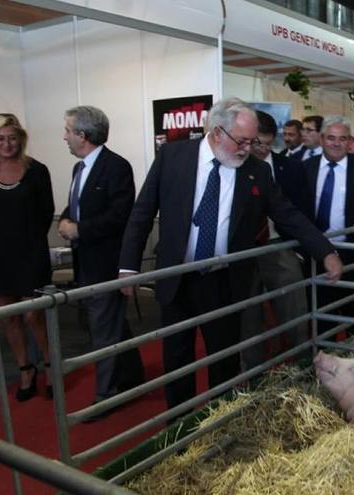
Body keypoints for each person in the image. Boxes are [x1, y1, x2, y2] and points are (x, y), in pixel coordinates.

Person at [117, 98, 342, 412]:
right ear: (216, 131)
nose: (247, 148)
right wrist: (128, 266)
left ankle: (217, 421)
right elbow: (142, 213)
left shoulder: (256, 172)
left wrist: (325, 251)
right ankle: (178, 429)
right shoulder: (173, 156)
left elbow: (288, 215)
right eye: (241, 140)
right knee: (177, 357)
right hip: (176, 276)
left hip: (223, 280)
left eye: (252, 142)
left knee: (223, 358)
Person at [58, 106, 144, 416]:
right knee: (109, 324)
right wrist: (67, 219)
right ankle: (132, 376)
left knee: (103, 330)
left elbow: (119, 216)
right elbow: (78, 206)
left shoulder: (116, 167)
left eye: (68, 130)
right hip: (86, 262)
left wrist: (79, 228)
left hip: (106, 264)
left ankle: (105, 396)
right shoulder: (79, 168)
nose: (64, 136)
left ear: (82, 135)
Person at [0, 113, 55, 402]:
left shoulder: (37, 170)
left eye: (12, 137)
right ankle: (25, 369)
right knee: (9, 318)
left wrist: (25, 239)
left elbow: (45, 213)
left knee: (34, 315)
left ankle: (50, 365)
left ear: (21, 138)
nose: (7, 144)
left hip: (31, 252)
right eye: (0, 138)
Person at [240, 110, 310, 370]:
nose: (261, 149)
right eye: (257, 142)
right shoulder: (236, 165)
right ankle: (253, 372)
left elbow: (302, 210)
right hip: (245, 251)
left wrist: (301, 251)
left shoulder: (291, 168)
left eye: (268, 144)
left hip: (280, 245)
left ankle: (300, 364)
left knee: (294, 309)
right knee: (249, 316)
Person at [302, 116, 354, 337]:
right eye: (331, 138)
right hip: (316, 254)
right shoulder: (304, 169)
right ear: (321, 139)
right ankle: (324, 361)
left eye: (342, 138)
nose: (336, 143)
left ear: (350, 142)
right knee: (321, 314)